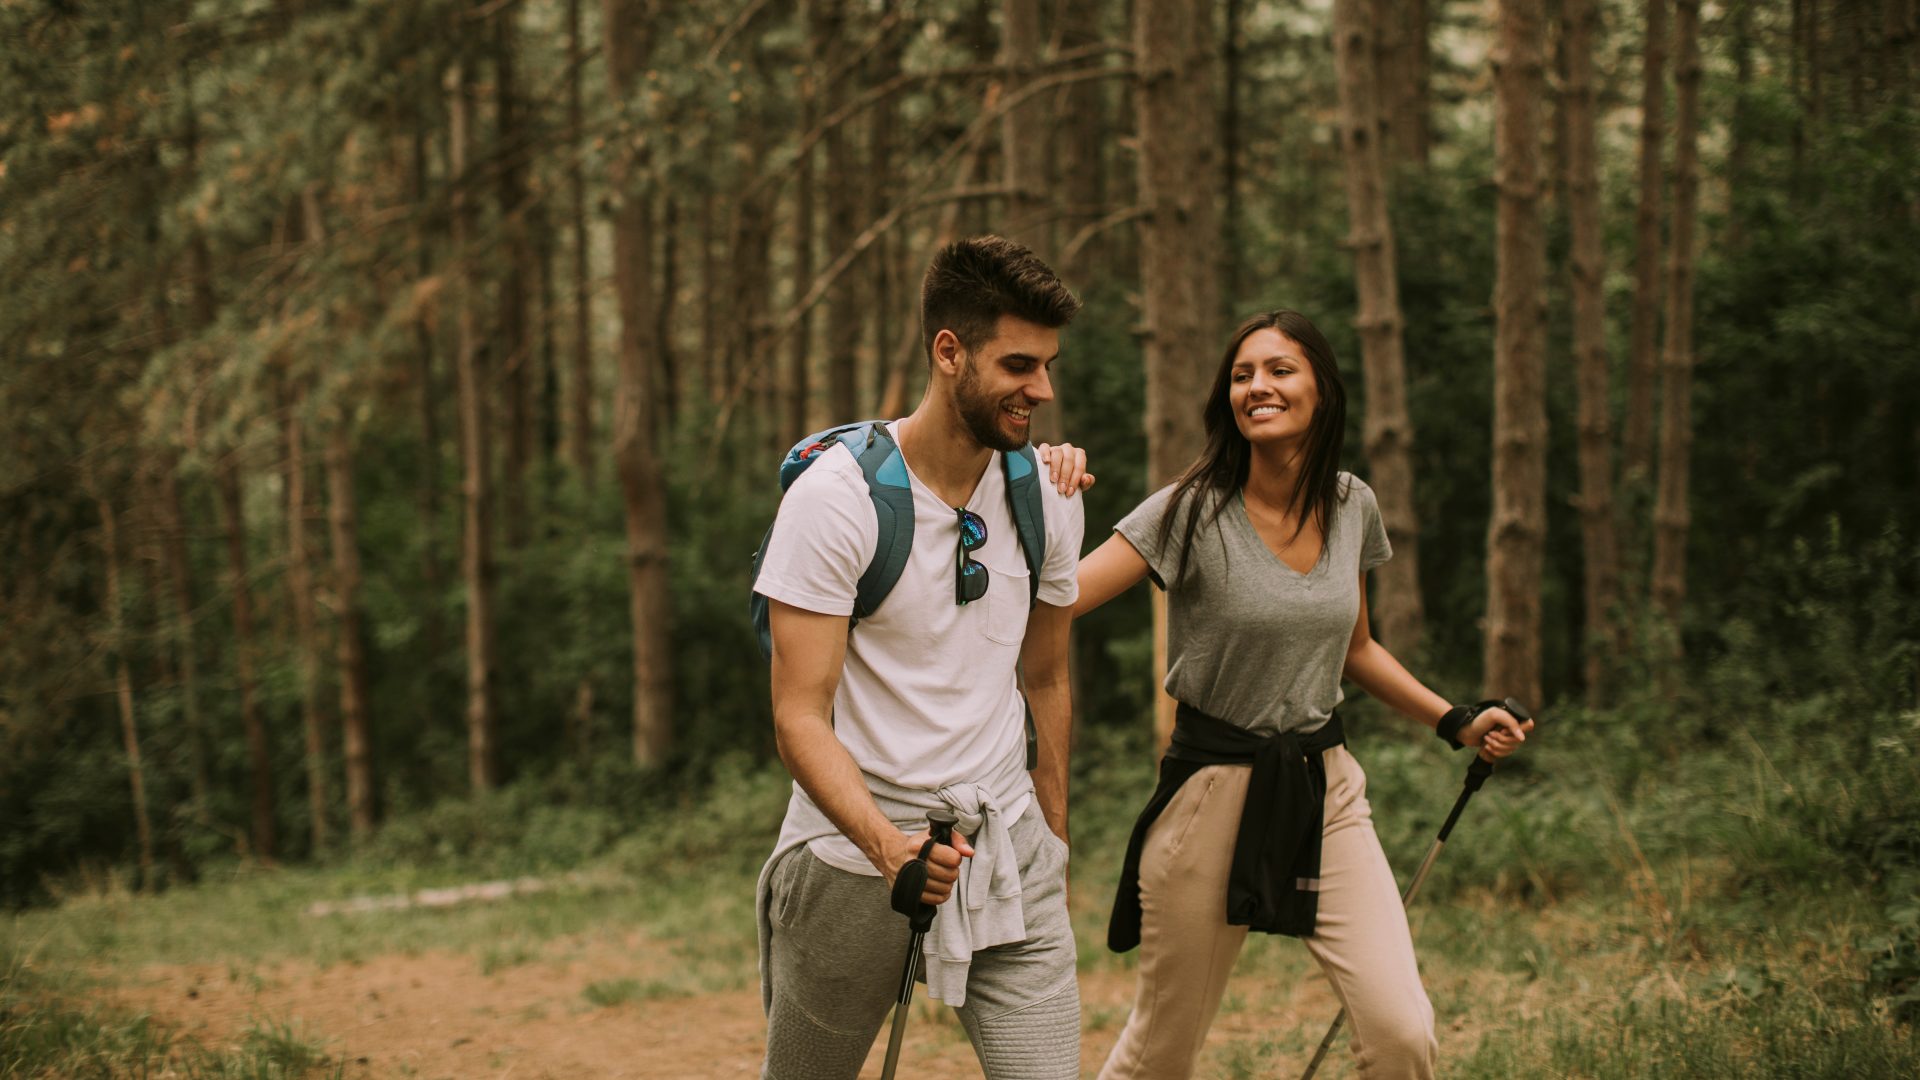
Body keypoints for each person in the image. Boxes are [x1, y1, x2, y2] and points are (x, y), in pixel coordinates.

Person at [1058, 310, 1534, 1080]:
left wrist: (1455, 719)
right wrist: (1047, 508)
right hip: (1209, 793)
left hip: (1325, 788)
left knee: (1402, 1033)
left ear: (1321, 389)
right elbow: (1063, 596)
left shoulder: (1352, 505)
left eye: (1280, 369)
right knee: (1159, 1054)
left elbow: (1357, 649)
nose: (1258, 387)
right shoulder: (1188, 509)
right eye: (1243, 374)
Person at [753, 236, 1094, 1080]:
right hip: (854, 856)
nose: (1042, 391)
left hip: (1008, 846)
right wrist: (887, 848)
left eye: (1048, 366)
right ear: (949, 352)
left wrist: (1050, 828)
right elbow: (799, 714)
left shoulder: (1048, 497)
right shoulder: (836, 501)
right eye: (1019, 364)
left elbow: (1045, 674)